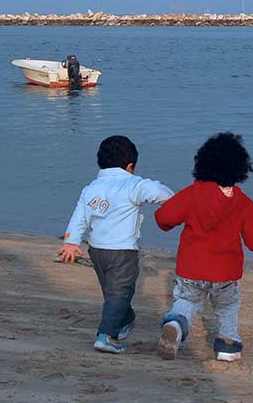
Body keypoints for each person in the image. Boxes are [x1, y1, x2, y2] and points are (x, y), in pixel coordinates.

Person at [153, 132, 253, 361]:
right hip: (225, 272)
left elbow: (163, 218)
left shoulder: (192, 194)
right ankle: (227, 346)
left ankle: (176, 325)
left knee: (187, 301)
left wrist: (170, 218)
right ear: (241, 168)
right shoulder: (242, 203)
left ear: (202, 163)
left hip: (191, 268)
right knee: (227, 306)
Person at [60, 135, 174, 354]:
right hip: (122, 252)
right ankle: (105, 336)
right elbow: (160, 193)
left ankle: (125, 320)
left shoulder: (91, 188)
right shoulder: (133, 184)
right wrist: (177, 202)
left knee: (113, 292)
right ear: (130, 166)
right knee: (119, 293)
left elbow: (79, 216)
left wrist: (71, 241)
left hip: (97, 250)